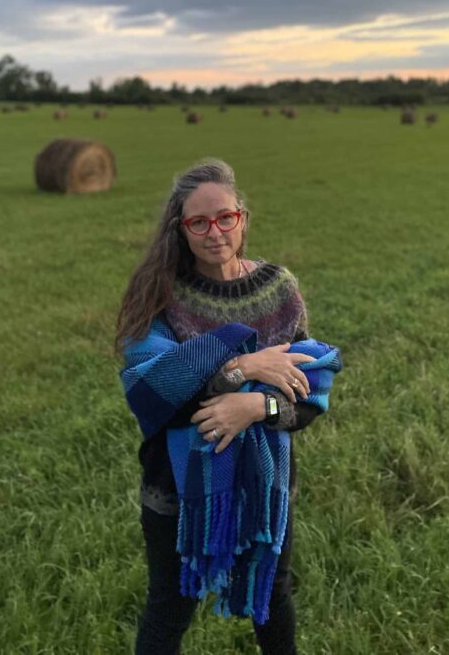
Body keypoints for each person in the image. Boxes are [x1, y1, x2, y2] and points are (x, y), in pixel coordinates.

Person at [117, 159, 341, 655]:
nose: (214, 232)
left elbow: (309, 388)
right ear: (181, 228)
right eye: (199, 222)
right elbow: (154, 398)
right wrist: (247, 366)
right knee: (169, 609)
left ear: (241, 216)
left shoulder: (280, 290)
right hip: (177, 491)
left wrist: (255, 406)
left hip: (265, 488)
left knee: (274, 600)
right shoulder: (158, 295)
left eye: (225, 218)